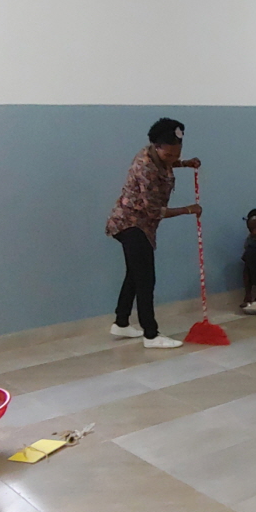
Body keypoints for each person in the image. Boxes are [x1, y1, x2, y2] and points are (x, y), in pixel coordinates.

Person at [105, 118, 202, 349]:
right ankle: (151, 334)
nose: (172, 158)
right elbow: (153, 211)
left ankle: (121, 322)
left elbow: (166, 164)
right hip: (131, 224)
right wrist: (188, 210)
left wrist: (185, 163)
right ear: (156, 147)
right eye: (169, 154)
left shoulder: (156, 155)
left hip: (140, 225)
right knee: (145, 279)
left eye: (177, 153)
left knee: (135, 273)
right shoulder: (145, 167)